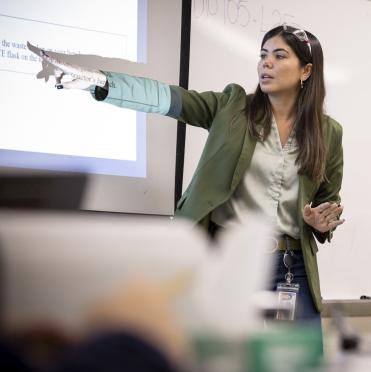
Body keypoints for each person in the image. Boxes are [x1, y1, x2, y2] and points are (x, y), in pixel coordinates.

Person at [28, 24, 344, 346]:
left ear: (306, 70)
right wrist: (103, 83)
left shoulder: (329, 133)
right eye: (263, 55)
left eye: (279, 56)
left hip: (290, 267)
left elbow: (328, 200)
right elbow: (171, 99)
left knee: (300, 360)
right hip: (229, 257)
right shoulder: (233, 107)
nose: (266, 63)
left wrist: (319, 221)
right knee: (218, 356)